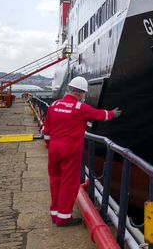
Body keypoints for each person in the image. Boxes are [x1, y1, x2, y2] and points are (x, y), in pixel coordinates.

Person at [42, 76, 122, 226]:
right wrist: (112, 113)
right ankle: (64, 217)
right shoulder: (80, 108)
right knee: (69, 183)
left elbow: (46, 131)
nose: (83, 97)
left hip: (54, 148)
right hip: (70, 151)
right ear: (80, 93)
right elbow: (100, 115)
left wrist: (50, 144)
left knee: (55, 181)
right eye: (83, 94)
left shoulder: (53, 105)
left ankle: (55, 214)